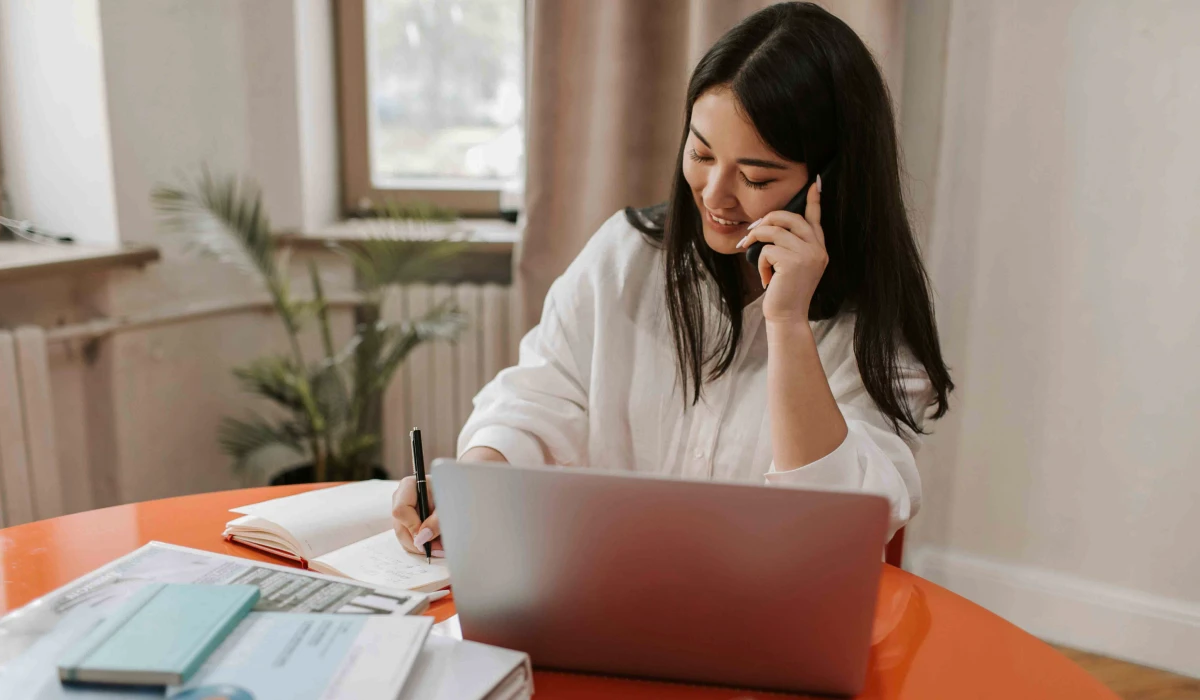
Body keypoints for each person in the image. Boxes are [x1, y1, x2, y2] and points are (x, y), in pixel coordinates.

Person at [392, 1, 953, 558]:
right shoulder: (627, 255)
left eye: (755, 176)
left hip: (769, 622)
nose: (713, 194)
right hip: (604, 593)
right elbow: (538, 396)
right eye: (701, 153)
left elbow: (834, 528)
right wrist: (474, 485)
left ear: (829, 183)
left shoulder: (877, 329)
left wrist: (787, 325)